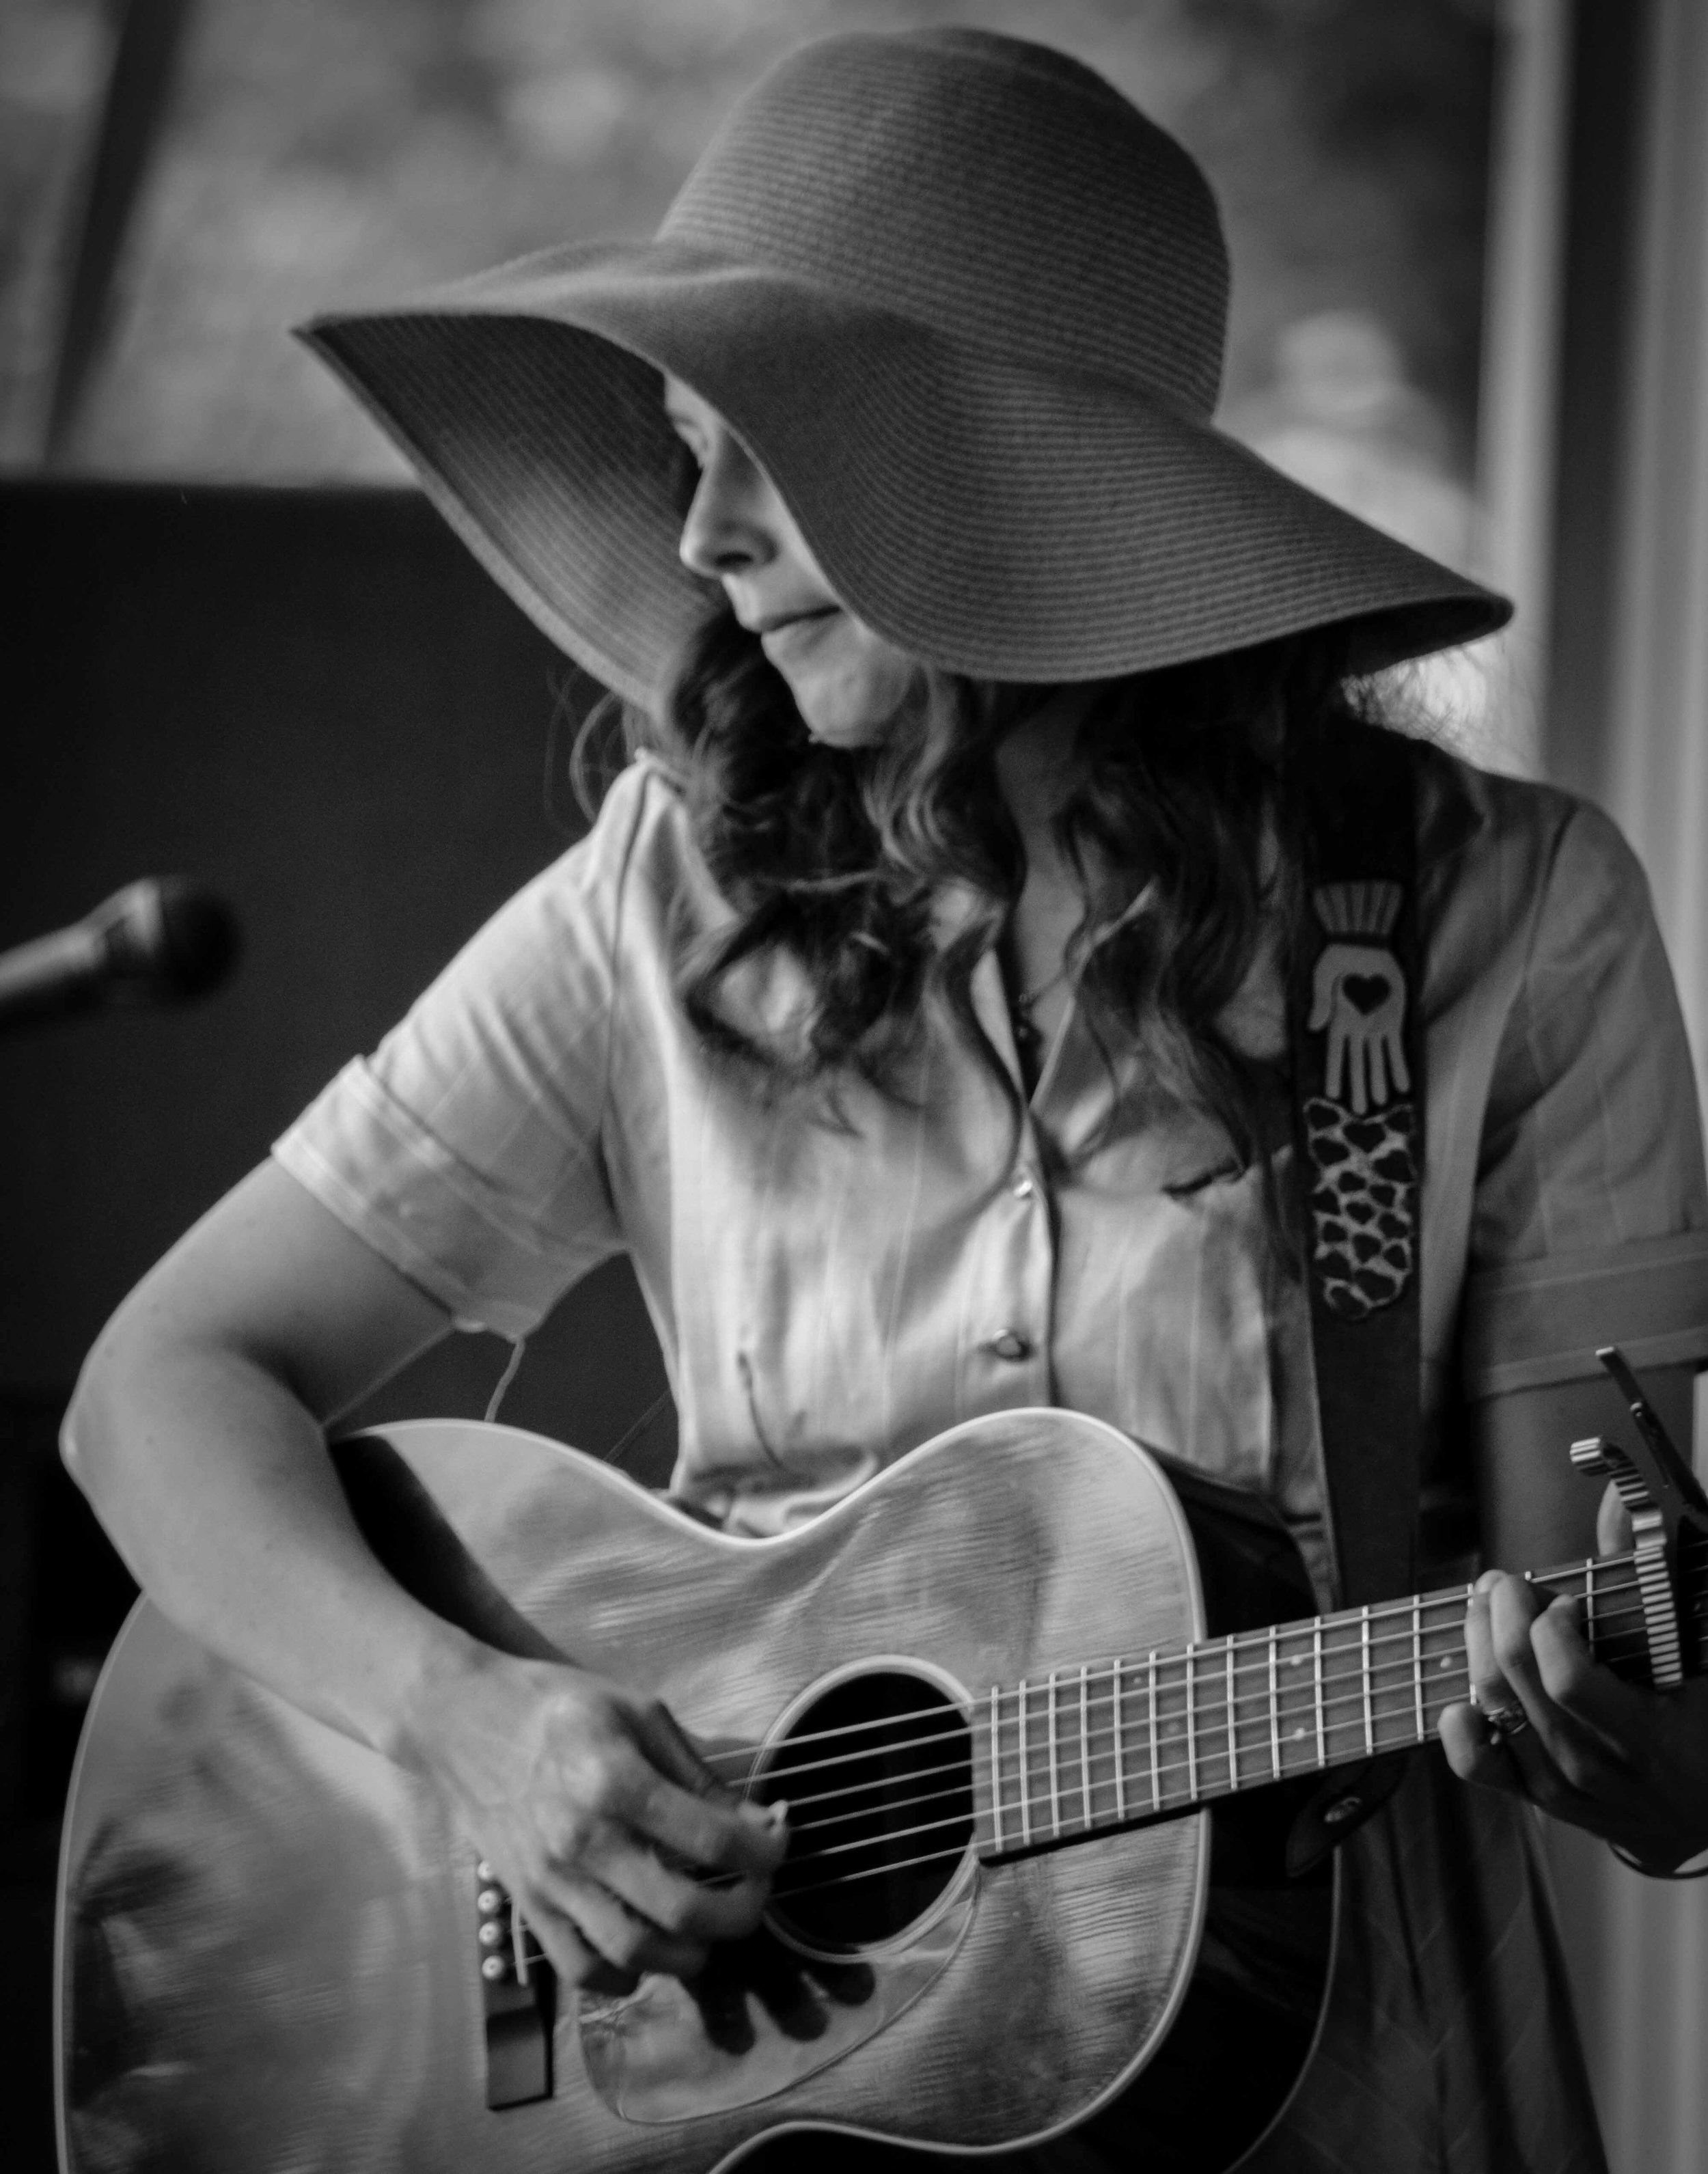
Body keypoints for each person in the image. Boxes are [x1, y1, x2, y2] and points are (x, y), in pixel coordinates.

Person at [62, 25, 1708, 2174]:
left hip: (1322, 2105)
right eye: (679, 448)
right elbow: (158, 1391)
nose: (711, 531)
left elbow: (1654, 1708)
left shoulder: (1506, 917)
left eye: (771, 447)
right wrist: (469, 1720)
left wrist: (1624, 1722)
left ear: (1036, 494)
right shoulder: (663, 903)